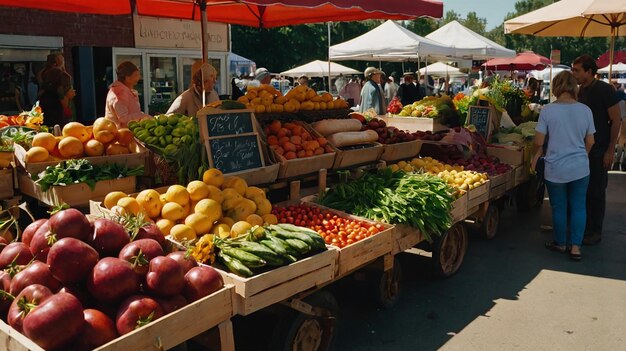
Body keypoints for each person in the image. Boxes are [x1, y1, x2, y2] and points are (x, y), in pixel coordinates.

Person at [531, 71, 595, 261]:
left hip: (555, 167)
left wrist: (535, 155)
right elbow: (590, 141)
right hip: (580, 167)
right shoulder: (585, 110)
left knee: (558, 207)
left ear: (556, 87)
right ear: (574, 87)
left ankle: (560, 243)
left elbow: (539, 141)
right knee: (579, 207)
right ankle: (576, 247)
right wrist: (582, 155)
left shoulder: (548, 110)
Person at [571, 54, 622, 246]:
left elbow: (617, 120)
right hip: (580, 150)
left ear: (589, 72)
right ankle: (584, 227)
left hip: (599, 150)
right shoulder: (578, 91)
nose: (573, 73)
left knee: (596, 192)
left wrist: (610, 150)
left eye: (577, 70)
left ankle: (595, 231)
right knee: (581, 192)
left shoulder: (604, 90)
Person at [105, 61, 151, 128]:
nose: (139, 78)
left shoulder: (122, 90)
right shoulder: (120, 92)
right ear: (127, 78)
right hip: (121, 134)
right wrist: (143, 116)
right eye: (136, 75)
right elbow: (123, 119)